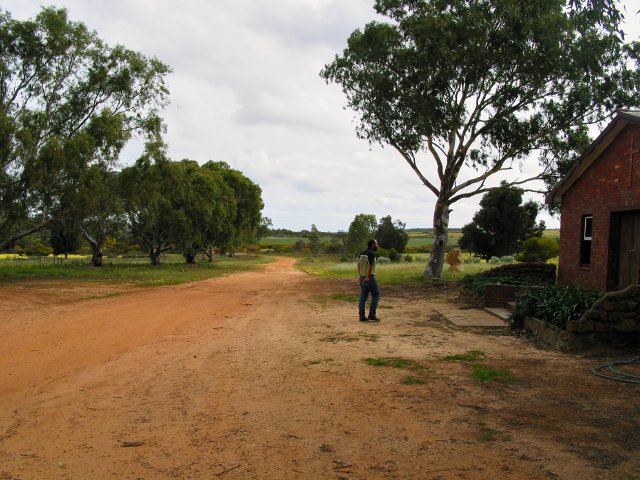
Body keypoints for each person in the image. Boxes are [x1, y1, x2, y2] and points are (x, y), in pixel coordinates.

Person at [357, 239, 381, 322]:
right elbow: (370, 266)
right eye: (376, 243)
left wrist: (360, 275)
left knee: (363, 296)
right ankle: (372, 315)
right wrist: (367, 277)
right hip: (369, 278)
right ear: (373, 244)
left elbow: (358, 264)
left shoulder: (362, 253)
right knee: (376, 295)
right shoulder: (371, 253)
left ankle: (362, 317)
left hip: (362, 278)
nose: (377, 245)